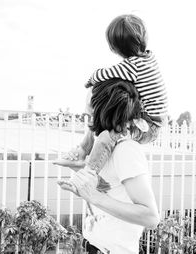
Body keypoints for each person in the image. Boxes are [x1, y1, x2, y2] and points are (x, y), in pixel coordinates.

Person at [54, 13, 168, 193]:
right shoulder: (149, 59)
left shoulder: (133, 65)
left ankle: (89, 174)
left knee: (108, 136)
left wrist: (90, 81)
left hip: (148, 126)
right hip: (150, 120)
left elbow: (102, 74)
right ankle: (81, 152)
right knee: (97, 129)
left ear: (114, 48)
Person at [58, 78, 160, 254]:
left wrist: (93, 195)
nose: (85, 112)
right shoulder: (106, 147)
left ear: (106, 110)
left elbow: (150, 217)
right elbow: (112, 188)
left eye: (91, 107)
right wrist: (80, 175)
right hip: (94, 245)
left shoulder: (126, 150)